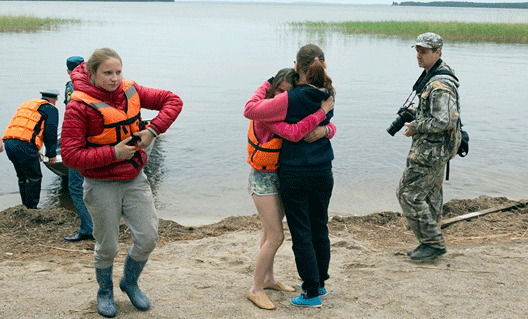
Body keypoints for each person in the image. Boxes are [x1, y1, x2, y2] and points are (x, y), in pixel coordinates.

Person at [60, 48, 183, 317]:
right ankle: (104, 291)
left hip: (134, 178)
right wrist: (114, 152)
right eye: (107, 73)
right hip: (100, 184)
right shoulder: (79, 106)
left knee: (148, 237)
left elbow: (173, 101)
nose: (115, 78)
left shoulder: (131, 90)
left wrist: (152, 131)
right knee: (108, 246)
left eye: (118, 72)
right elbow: (70, 156)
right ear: (92, 74)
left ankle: (129, 282)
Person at [244, 44, 335, 308]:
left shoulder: (287, 100)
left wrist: (270, 83)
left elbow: (252, 109)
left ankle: (310, 291)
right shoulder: (327, 95)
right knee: (313, 228)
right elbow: (315, 127)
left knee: (299, 232)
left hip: (294, 173)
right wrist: (325, 126)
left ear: (297, 68)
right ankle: (316, 284)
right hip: (319, 170)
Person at [397, 33, 462, 261]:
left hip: (431, 151)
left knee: (408, 194)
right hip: (437, 149)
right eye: (417, 50)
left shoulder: (440, 83)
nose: (419, 55)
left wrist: (416, 125)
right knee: (432, 195)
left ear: (438, 52)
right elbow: (440, 114)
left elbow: (446, 120)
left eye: (424, 51)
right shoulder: (434, 74)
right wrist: (418, 115)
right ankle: (429, 244)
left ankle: (433, 243)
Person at [2, 90, 59, 209]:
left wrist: (34, 149)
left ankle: (25, 206)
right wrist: (51, 155)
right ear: (55, 100)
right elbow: (50, 134)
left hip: (9, 143)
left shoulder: (27, 104)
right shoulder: (51, 109)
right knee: (34, 177)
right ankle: (32, 209)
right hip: (24, 146)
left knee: (22, 177)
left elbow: (26, 128)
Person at [63, 56, 94, 242]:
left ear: (68, 71)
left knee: (76, 186)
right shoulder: (98, 82)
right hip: (100, 141)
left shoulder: (71, 85)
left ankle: (88, 229)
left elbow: (71, 112)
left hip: (80, 142)